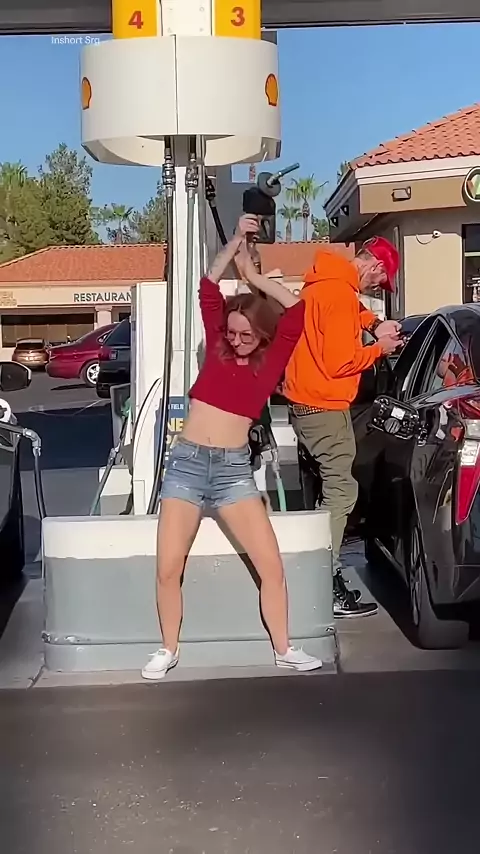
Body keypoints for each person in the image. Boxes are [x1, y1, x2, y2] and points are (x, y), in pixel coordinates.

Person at [142, 215, 323, 681]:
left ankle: (284, 649)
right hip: (185, 466)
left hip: (233, 473)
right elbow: (207, 285)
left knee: (271, 565)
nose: (237, 340)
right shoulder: (219, 348)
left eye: (247, 335)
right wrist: (236, 241)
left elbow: (298, 311)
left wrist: (255, 277)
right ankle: (167, 649)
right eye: (232, 332)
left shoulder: (270, 362)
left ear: (262, 335)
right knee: (168, 568)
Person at [283, 237, 401, 618]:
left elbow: (353, 314)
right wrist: (380, 350)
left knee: (333, 490)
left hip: (307, 402)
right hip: (324, 406)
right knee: (342, 492)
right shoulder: (338, 295)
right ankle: (325, 580)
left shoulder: (327, 285)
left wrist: (376, 324)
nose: (376, 288)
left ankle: (319, 571)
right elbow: (340, 362)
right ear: (375, 267)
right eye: (380, 282)